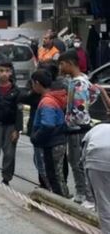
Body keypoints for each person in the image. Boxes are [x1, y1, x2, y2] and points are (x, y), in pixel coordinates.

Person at [60, 49, 110, 205]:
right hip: (77, 129)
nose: (60, 68)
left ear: (69, 64)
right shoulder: (82, 80)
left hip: (77, 130)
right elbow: (94, 94)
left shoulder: (79, 83)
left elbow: (80, 110)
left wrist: (72, 121)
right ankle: (84, 194)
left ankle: (85, 196)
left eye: (62, 64)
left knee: (78, 163)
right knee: (77, 162)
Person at [29, 69, 69, 197]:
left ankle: (60, 203)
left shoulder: (47, 102)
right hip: (58, 141)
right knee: (57, 175)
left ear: (37, 83)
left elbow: (48, 124)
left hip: (50, 144)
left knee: (52, 175)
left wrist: (36, 138)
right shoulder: (54, 98)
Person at [81, 123, 110, 230]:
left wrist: (90, 198)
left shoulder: (95, 130)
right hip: (97, 159)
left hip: (96, 161)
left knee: (104, 204)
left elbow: (83, 160)